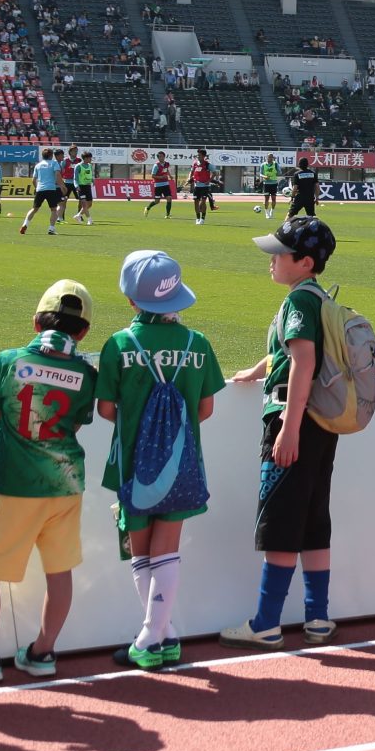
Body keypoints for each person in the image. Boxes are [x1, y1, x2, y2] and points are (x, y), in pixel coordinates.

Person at [0, 281, 99, 685]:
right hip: (66, 484)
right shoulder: (86, 373)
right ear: (84, 331)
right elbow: (77, 422)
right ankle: (42, 653)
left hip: (16, 483)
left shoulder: (8, 360)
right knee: (60, 570)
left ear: (36, 322)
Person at [96, 251, 225, 668]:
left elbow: (106, 409)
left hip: (131, 462)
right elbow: (205, 409)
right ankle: (161, 635)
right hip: (182, 461)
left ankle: (151, 639)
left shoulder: (118, 343)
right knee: (168, 547)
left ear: (131, 299)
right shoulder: (197, 343)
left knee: (140, 549)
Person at [223, 218, 343, 649]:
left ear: (306, 262)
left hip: (292, 420)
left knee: (280, 520)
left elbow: (303, 362)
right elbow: (287, 352)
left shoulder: (298, 302)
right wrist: (257, 369)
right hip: (322, 422)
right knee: (313, 520)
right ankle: (318, 618)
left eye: (280, 253)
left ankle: (266, 622)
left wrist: (288, 430)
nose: (271, 260)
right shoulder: (319, 298)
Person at [20, 149, 66, 236]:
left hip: (40, 189)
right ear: (51, 155)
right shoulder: (54, 163)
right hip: (51, 189)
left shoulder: (38, 165)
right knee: (53, 209)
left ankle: (25, 224)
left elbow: (33, 180)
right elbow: (57, 175)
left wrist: (37, 188)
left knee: (34, 209)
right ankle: (51, 229)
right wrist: (62, 186)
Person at [72, 151, 96, 226]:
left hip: (88, 186)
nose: (91, 159)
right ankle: (89, 220)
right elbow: (75, 178)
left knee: (89, 204)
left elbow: (91, 174)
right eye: (90, 158)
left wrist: (92, 179)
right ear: (85, 158)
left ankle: (78, 215)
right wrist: (76, 186)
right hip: (81, 187)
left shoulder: (90, 166)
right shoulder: (78, 166)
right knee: (84, 204)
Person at [147, 153, 175, 218]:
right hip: (158, 185)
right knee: (157, 201)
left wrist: (170, 175)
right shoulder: (156, 165)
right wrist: (161, 177)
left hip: (166, 184)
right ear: (158, 158)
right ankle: (148, 208)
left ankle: (167, 214)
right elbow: (153, 176)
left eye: (162, 156)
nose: (161, 158)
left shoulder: (166, 164)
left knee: (169, 198)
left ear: (164, 157)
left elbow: (166, 170)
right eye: (160, 157)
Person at [188, 156, 214, 225]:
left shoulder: (208, 164)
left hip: (205, 187)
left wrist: (209, 180)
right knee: (196, 202)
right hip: (197, 186)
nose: (198, 156)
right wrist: (190, 178)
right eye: (198, 155)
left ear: (203, 156)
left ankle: (202, 218)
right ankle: (197, 218)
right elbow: (192, 172)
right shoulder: (195, 164)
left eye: (199, 155)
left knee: (203, 202)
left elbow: (214, 173)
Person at [259, 155, 282, 220]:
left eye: (272, 157)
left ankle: (272, 211)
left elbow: (280, 172)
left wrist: (277, 172)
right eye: (269, 157)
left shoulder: (276, 164)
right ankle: (267, 212)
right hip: (266, 184)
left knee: (273, 198)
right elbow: (260, 174)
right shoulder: (263, 165)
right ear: (267, 158)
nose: (270, 158)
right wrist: (264, 176)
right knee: (266, 199)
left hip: (274, 183)